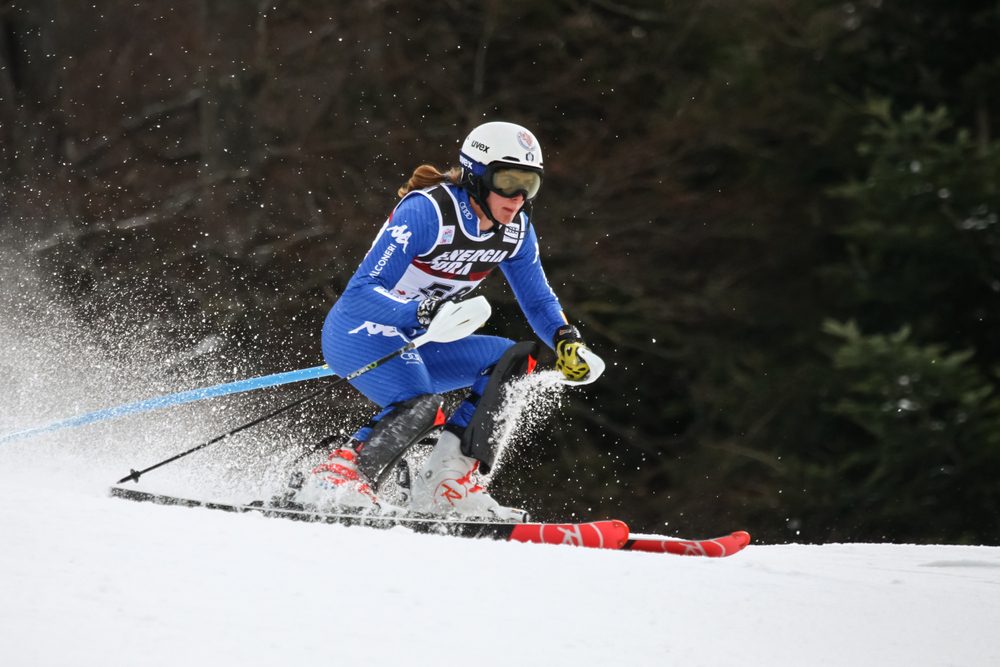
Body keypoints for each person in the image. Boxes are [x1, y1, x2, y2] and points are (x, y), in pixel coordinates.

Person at [296, 121, 603, 520]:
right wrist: (421, 312)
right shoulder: (428, 212)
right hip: (363, 331)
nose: (517, 197)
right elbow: (359, 295)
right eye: (507, 180)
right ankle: (336, 477)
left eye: (530, 185)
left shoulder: (515, 232)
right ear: (476, 174)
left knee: (513, 360)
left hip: (424, 341)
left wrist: (566, 340)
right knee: (422, 405)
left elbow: (539, 300)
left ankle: (449, 483)